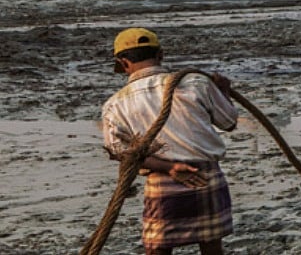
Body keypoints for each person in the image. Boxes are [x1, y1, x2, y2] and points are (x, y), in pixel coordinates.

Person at [102, 28, 238, 255]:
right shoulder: (197, 83)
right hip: (205, 176)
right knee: (212, 247)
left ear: (123, 63)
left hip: (161, 180)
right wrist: (223, 91)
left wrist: (169, 167)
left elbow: (119, 152)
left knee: (158, 249)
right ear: (161, 54)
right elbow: (229, 122)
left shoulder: (115, 104)